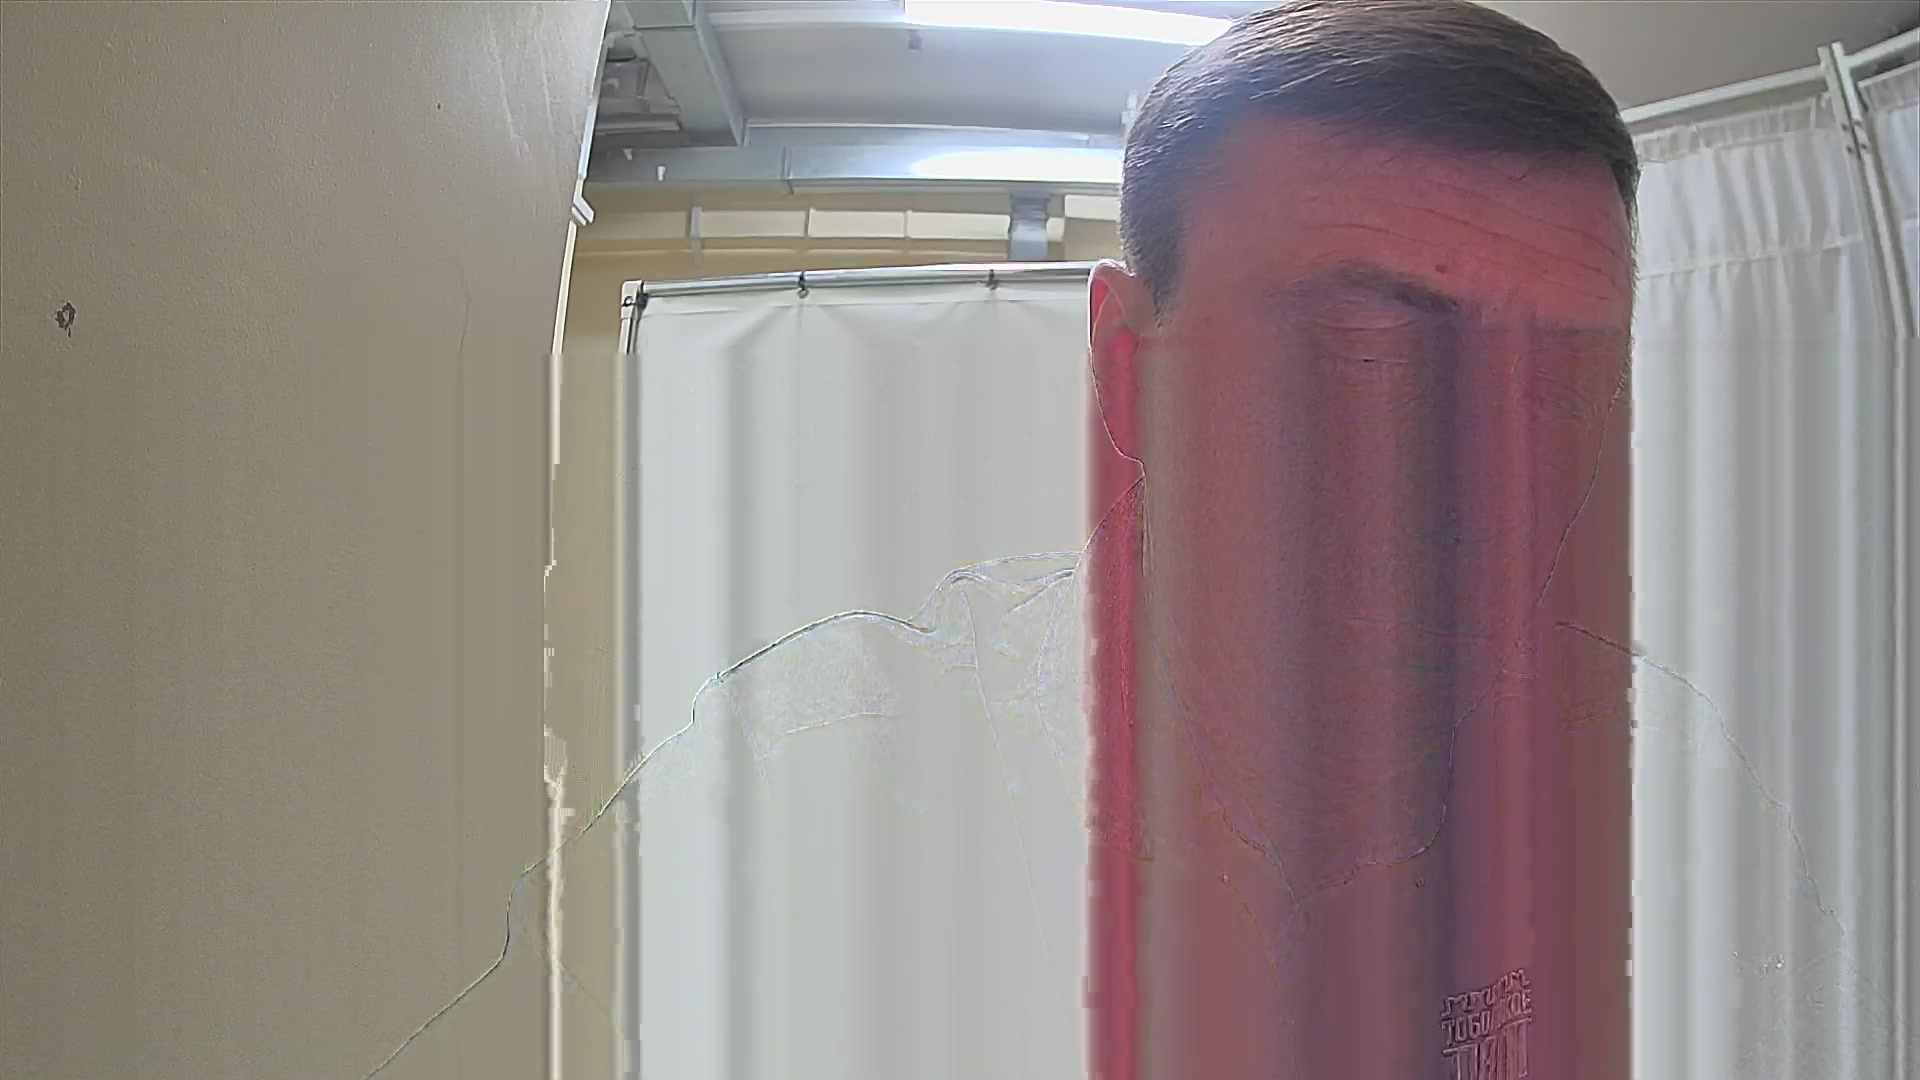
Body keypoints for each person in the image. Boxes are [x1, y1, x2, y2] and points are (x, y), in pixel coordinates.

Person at [1084, 2, 1636, 1076]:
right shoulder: (843, 807)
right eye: (1372, 353)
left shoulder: (1653, 784)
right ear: (1128, 362)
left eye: (1568, 384)